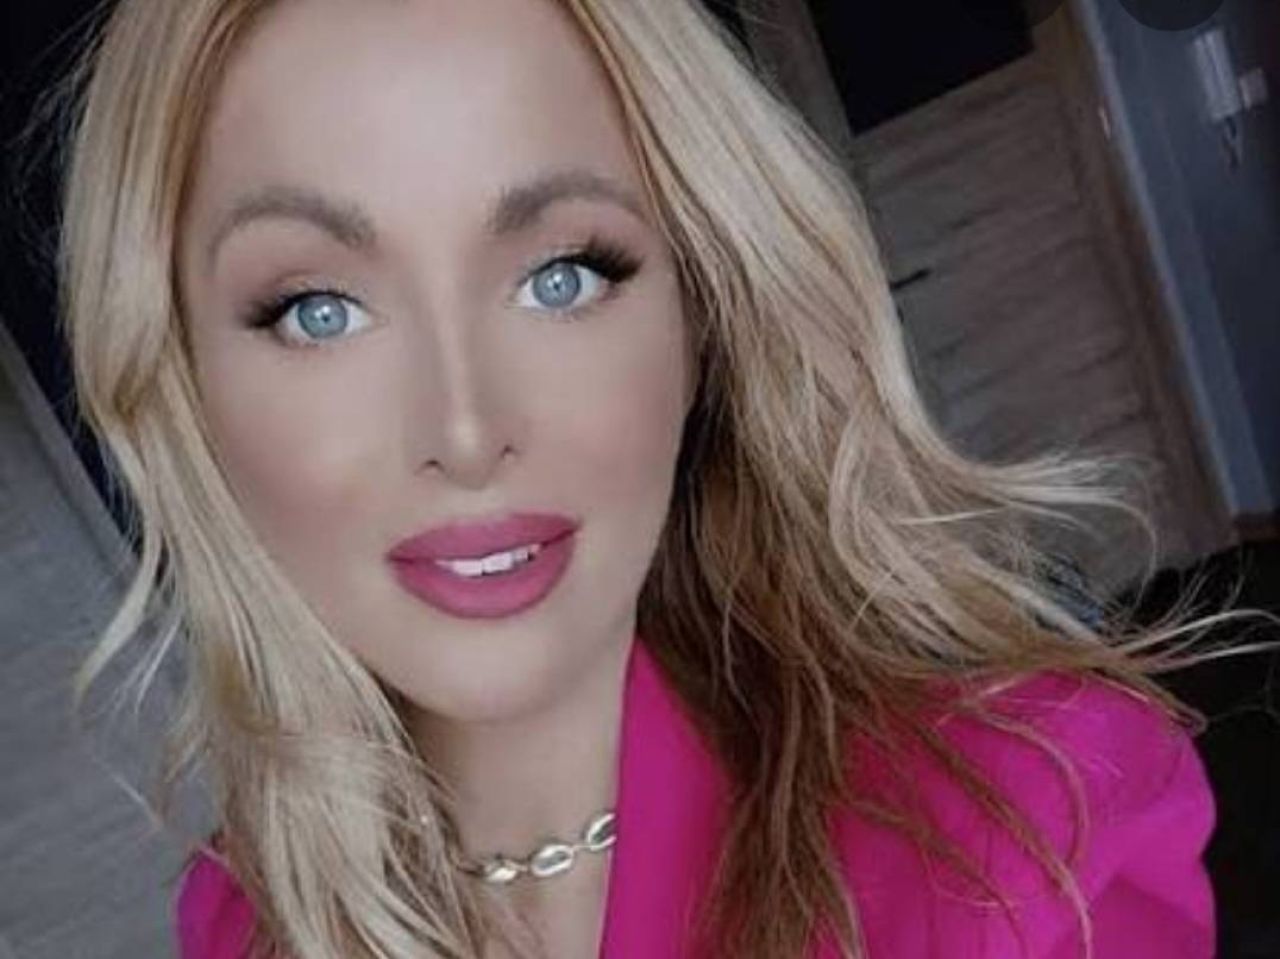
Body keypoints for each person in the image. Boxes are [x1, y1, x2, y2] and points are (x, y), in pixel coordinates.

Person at [54, 0, 1258, 956]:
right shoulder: (244, 913)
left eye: (562, 277)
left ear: (699, 324)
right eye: (318, 309)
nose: (463, 430)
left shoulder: (1029, 829)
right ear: (184, 382)